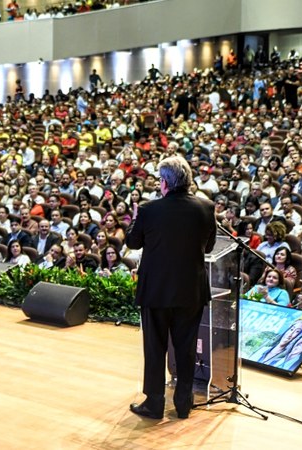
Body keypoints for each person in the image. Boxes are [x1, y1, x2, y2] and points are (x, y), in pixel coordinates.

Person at [126, 155, 216, 420]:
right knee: (186, 347)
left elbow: (133, 242)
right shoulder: (206, 207)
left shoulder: (148, 209)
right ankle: (183, 404)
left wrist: (134, 217)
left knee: (155, 348)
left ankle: (154, 404)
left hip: (156, 291)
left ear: (164, 182)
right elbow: (208, 248)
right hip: (191, 292)